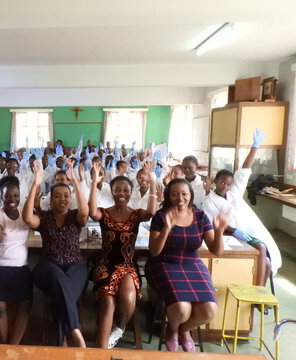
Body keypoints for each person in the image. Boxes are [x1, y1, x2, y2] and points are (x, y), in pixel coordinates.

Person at [145, 178, 227, 352]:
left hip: (192, 264)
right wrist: (167, 228)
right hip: (164, 263)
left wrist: (219, 232)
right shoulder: (161, 216)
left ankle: (184, 329)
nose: (180, 198)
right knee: (182, 308)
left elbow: (216, 251)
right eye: (174, 194)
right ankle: (172, 330)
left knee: (209, 310)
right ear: (168, 196)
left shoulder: (200, 216)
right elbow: (154, 251)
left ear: (191, 195)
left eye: (184, 194)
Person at [88, 162, 157, 349]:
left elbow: (151, 212)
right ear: (112, 192)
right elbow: (91, 211)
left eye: (126, 190)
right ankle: (101, 349)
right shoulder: (104, 213)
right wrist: (94, 182)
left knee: (127, 296)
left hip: (127, 266)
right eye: (117, 190)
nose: (121, 194)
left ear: (130, 193)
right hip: (105, 265)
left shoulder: (136, 215)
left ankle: (120, 327)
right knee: (108, 301)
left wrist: (152, 182)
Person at [22, 160, 89, 347]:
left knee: (62, 297)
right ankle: (76, 332)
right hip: (47, 267)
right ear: (51, 200)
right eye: (57, 196)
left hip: (75, 266)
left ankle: (62, 343)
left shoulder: (75, 216)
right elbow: (27, 218)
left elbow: (86, 212)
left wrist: (75, 181)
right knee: (57, 277)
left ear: (71, 198)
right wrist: (35, 184)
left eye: (66, 196)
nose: (62, 199)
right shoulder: (44, 217)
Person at [202, 129, 282, 285]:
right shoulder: (209, 201)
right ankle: (257, 291)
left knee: (267, 262)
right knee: (260, 247)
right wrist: (234, 230)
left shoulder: (234, 192)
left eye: (229, 184)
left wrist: (255, 147)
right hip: (228, 235)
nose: (225, 186)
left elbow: (244, 170)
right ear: (215, 181)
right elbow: (212, 225)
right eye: (222, 183)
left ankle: (259, 293)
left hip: (245, 232)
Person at [0, 176, 33, 344]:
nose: (12, 199)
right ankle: (6, 347)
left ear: (20, 196)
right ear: (1, 197)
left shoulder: (24, 214)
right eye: (7, 196)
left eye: (15, 196)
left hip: (19, 267)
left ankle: (13, 346)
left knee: (26, 303)